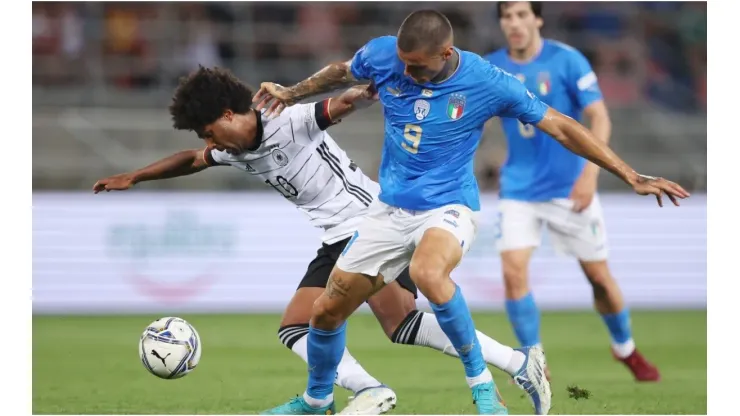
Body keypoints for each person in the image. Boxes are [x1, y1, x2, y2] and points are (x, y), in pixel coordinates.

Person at [252, 8, 688, 416]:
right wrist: (291, 94)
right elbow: (341, 72)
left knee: (428, 273)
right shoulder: (386, 54)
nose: (406, 72)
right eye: (403, 62)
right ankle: (317, 399)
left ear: (445, 53)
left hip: (449, 206)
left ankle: (482, 385)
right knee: (325, 314)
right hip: (388, 210)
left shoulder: (488, 82)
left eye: (417, 65)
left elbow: (561, 125)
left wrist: (629, 174)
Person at [93, 66, 548, 415]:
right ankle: (515, 364)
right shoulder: (235, 148)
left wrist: (366, 92)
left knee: (331, 322)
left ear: (229, 115)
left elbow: (336, 107)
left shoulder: (287, 120)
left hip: (369, 224)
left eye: (210, 131)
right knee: (379, 325)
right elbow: (192, 160)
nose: (210, 142)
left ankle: (357, 392)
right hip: (340, 235)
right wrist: (135, 176)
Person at [483, 1, 660, 382]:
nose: (513, 23)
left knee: (598, 278)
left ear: (538, 18)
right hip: (518, 190)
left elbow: (599, 115)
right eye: (507, 16)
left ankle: (625, 348)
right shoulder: (491, 66)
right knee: (513, 274)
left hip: (570, 187)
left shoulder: (568, 60)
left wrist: (590, 175)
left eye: (521, 15)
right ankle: (534, 362)